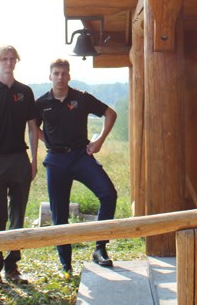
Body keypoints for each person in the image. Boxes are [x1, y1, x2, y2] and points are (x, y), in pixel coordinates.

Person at [35, 58, 118, 273]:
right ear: (50, 76)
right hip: (56, 161)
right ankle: (66, 264)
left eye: (64, 73)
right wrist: (49, 141)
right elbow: (32, 127)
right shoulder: (41, 103)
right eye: (56, 73)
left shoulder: (81, 98)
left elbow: (110, 114)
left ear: (69, 76)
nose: (60, 77)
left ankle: (100, 248)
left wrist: (99, 140)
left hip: (81, 156)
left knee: (108, 194)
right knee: (59, 214)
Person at [0, 45, 38, 285]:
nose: (9, 62)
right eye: (5, 59)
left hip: (19, 159)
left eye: (13, 59)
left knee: (18, 214)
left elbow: (33, 127)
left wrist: (33, 160)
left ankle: (13, 266)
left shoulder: (25, 91)